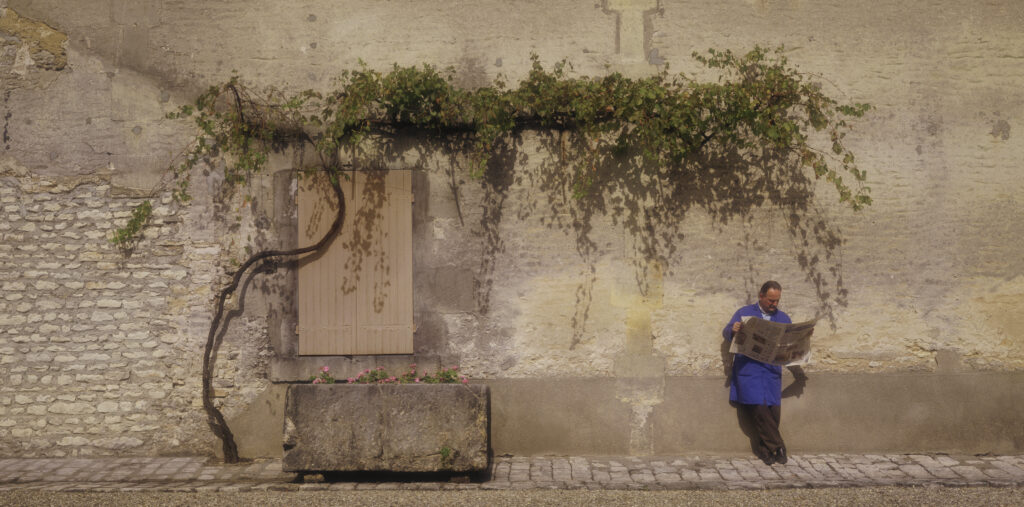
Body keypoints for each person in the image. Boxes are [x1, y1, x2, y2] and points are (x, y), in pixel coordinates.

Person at [722, 280, 805, 465]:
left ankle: (764, 451)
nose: (774, 304)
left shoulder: (783, 318)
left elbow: (790, 345)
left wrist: (803, 338)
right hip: (749, 370)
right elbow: (726, 332)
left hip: (771, 372)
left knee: (772, 412)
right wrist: (732, 329)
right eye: (770, 300)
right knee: (758, 409)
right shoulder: (744, 313)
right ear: (761, 296)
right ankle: (778, 447)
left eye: (777, 301)